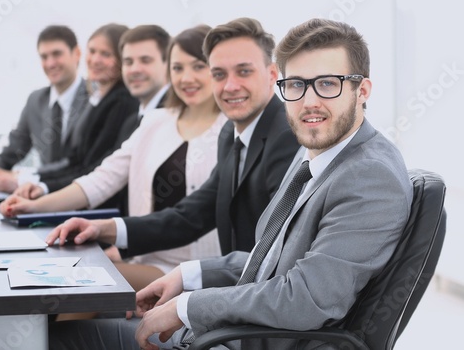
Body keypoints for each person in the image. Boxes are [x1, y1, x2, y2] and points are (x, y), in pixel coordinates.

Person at [49, 18, 414, 350]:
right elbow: (272, 259)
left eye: (328, 84)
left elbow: (306, 299)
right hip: (239, 333)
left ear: (362, 90)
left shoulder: (368, 175)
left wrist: (190, 306)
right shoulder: (317, 153)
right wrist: (189, 276)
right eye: (297, 85)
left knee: (67, 338)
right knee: (62, 331)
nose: (309, 101)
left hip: (256, 340)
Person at [40, 17, 300, 263]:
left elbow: (278, 253)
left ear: (272, 74)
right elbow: (191, 216)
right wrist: (104, 228)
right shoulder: (232, 135)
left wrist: (188, 284)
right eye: (219, 74)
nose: (230, 86)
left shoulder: (287, 136)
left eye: (244, 71)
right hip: (225, 285)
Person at [0, 25, 226, 292]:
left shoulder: (229, 130)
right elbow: (101, 178)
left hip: (196, 272)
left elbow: (193, 216)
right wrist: (35, 206)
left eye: (198, 66)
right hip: (146, 257)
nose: (186, 78)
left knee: (78, 280)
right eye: (178, 68)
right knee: (62, 273)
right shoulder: (156, 122)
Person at [13, 24, 171, 200]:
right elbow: (79, 161)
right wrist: (35, 182)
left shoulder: (123, 102)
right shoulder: (99, 100)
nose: (96, 60)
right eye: (93, 51)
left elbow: (97, 169)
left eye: (106, 54)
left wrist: (41, 188)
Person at [0, 25, 89, 193]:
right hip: (39, 198)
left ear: (76, 54)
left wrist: (21, 176)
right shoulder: (36, 100)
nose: (50, 63)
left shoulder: (94, 98)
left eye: (57, 54)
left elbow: (78, 163)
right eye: (44, 56)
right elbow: (12, 147)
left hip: (81, 197)